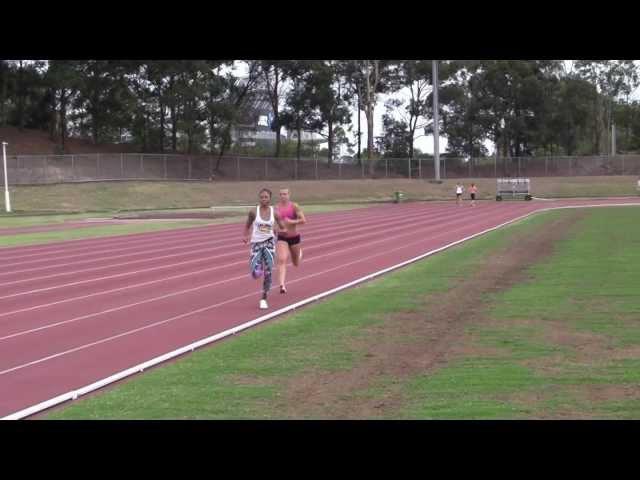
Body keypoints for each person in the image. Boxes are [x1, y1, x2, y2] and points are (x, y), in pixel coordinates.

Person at [243, 188, 285, 310]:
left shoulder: (275, 213)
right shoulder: (253, 212)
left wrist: (277, 230)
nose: (264, 199)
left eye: (266, 197)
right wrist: (245, 236)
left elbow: (283, 227)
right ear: (259, 198)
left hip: (269, 244)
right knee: (255, 273)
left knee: (268, 272)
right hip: (256, 244)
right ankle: (258, 268)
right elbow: (247, 225)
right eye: (262, 197)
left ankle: (264, 297)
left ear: (270, 198)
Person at [275, 188, 307, 294]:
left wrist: (292, 221)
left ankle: (299, 254)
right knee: (282, 259)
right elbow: (273, 222)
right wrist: (274, 229)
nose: (283, 196)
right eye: (281, 194)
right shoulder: (276, 208)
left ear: (289, 195)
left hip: (294, 237)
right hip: (282, 237)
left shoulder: (294, 206)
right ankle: (282, 285)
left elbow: (304, 220)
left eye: (285, 194)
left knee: (296, 263)